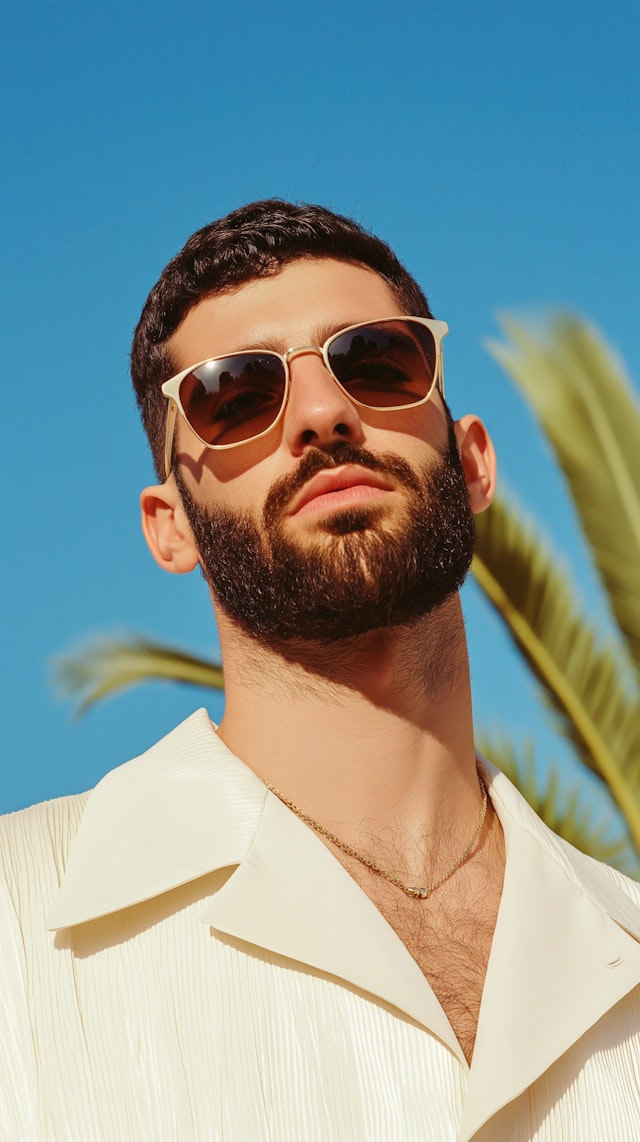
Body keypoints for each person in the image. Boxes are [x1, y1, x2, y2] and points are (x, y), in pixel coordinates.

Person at [1, 200, 640, 1142]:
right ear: (168, 524)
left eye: (377, 361)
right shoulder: (21, 921)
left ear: (470, 464)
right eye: (235, 396)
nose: (323, 413)